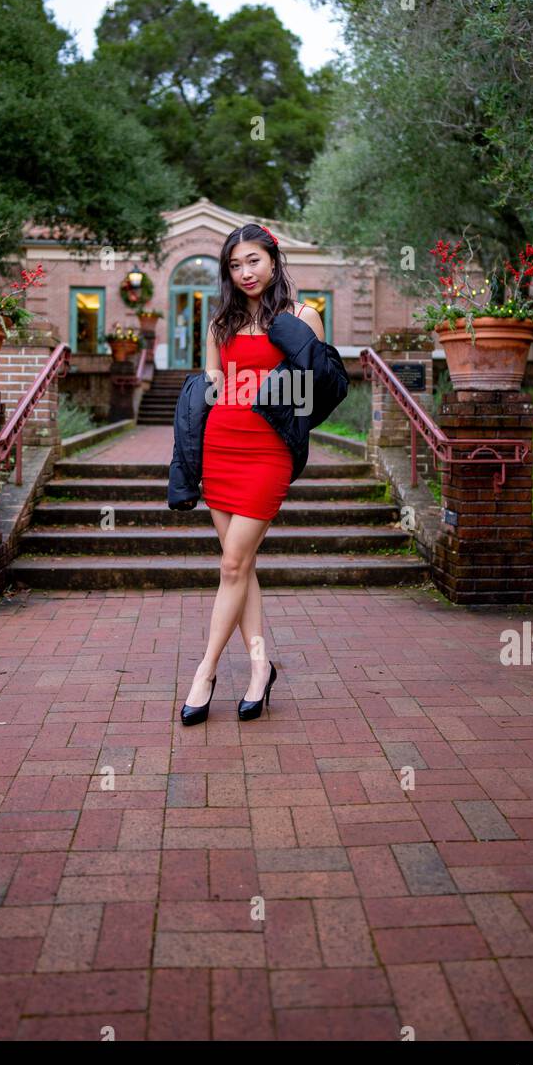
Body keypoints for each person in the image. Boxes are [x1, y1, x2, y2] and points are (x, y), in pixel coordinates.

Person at [170, 221, 349, 726]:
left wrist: (287, 406)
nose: (245, 272)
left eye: (254, 260)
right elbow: (211, 387)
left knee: (231, 564)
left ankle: (203, 673)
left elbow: (321, 390)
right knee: (241, 566)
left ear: (273, 261)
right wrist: (191, 453)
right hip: (220, 448)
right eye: (235, 264)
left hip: (268, 452)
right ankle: (258, 668)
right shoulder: (220, 323)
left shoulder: (301, 315)